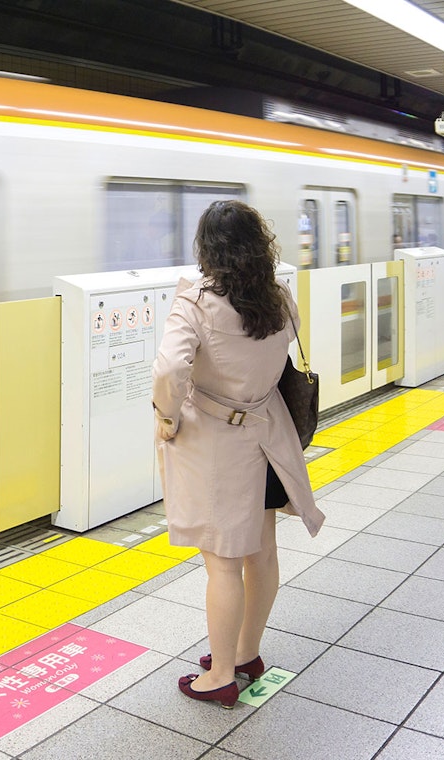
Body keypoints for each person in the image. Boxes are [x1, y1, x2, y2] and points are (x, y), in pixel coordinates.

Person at [152, 200, 325, 709]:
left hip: (218, 448)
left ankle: (221, 676)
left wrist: (167, 416)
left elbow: (168, 371)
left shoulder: (196, 303)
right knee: (262, 553)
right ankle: (247, 654)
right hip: (270, 439)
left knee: (223, 565)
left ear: (206, 248)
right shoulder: (279, 298)